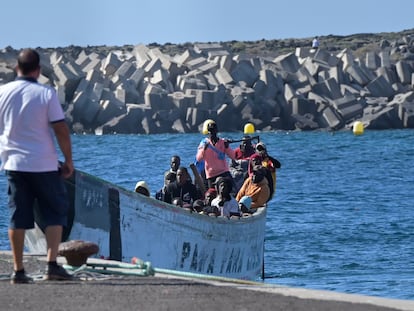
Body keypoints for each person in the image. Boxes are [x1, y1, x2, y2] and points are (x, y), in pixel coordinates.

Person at [0, 48, 74, 283]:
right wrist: (69, 160)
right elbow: (60, 128)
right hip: (43, 163)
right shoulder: (46, 93)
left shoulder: (3, 92)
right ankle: (52, 265)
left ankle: (18, 270)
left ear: (16, 68)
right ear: (38, 70)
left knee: (17, 216)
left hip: (14, 164)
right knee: (54, 212)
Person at [195, 119, 236, 189]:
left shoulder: (222, 142)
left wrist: (227, 147)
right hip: (211, 175)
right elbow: (198, 158)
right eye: (210, 131)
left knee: (233, 189)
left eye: (213, 131)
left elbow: (233, 156)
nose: (212, 133)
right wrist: (204, 149)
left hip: (224, 172)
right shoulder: (204, 143)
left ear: (216, 131)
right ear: (208, 132)